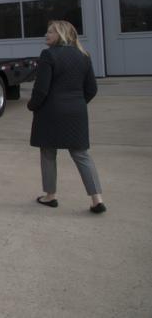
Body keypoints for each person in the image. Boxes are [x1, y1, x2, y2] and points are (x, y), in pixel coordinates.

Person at [28, 20, 105, 213]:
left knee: (48, 153)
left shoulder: (48, 55)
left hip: (50, 112)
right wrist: (77, 103)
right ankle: (97, 200)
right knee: (81, 155)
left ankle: (50, 196)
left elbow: (41, 89)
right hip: (76, 112)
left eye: (50, 32)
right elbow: (92, 89)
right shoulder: (84, 55)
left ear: (62, 35)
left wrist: (32, 105)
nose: (46, 35)